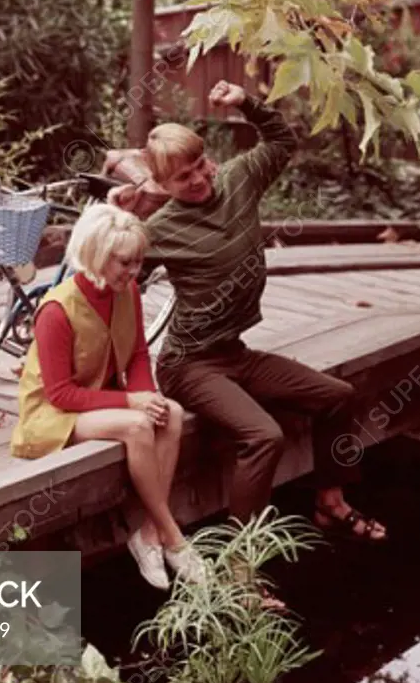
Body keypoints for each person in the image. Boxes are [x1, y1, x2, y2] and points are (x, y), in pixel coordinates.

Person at [110, 79, 387, 548]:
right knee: (264, 436)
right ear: (161, 184)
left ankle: (330, 504)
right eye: (183, 177)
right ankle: (241, 563)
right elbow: (107, 271)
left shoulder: (239, 178)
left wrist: (246, 104)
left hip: (235, 354)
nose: (197, 180)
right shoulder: (158, 229)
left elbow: (282, 142)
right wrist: (114, 218)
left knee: (340, 396)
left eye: (199, 166)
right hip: (189, 365)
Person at [11, 203, 205, 589]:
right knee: (136, 426)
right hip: (50, 414)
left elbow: (136, 353)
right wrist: (132, 403)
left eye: (137, 262)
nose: (134, 271)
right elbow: (60, 392)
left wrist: (147, 396)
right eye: (124, 263)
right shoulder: (56, 310)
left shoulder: (126, 291)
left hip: (100, 397)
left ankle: (148, 534)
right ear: (97, 255)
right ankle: (173, 537)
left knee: (173, 413)